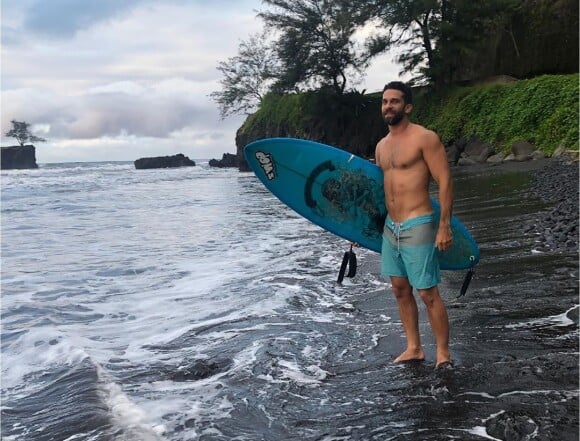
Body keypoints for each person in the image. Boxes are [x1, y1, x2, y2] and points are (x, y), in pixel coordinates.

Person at [374, 81, 453, 368]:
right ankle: (414, 348)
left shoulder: (424, 138)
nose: (388, 106)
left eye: (394, 101)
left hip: (418, 222)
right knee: (399, 289)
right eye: (384, 101)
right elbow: (379, 190)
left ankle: (443, 353)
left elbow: (444, 180)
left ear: (407, 106)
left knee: (427, 291)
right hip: (390, 228)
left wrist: (444, 225)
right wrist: (357, 229)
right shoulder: (381, 146)